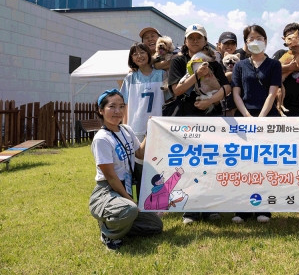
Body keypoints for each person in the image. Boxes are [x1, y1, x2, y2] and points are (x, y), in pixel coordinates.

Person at [167, 23, 230, 224]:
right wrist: (197, 74)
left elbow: (227, 87)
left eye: (199, 38)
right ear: (185, 41)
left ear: (205, 41)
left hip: (211, 116)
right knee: (189, 161)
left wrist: (210, 101)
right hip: (187, 115)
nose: (195, 41)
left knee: (211, 161)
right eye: (191, 38)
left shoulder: (213, 62)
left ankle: (211, 206)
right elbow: (176, 90)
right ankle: (191, 209)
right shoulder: (178, 62)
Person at [89, 89, 163, 251]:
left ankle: (119, 222)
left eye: (121, 106)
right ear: (101, 111)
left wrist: (149, 130)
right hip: (108, 190)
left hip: (126, 187)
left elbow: (140, 153)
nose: (118, 111)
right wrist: (130, 200)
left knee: (155, 226)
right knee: (129, 209)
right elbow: (111, 176)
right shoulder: (102, 138)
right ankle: (108, 233)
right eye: (112, 106)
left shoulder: (126, 130)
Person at [231, 24, 282, 223]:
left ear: (266, 41)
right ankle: (241, 209)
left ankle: (264, 208)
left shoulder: (274, 64)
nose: (255, 41)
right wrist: (247, 117)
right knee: (243, 165)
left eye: (259, 37)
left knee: (265, 164)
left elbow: (273, 92)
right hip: (243, 119)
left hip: (267, 118)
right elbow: (236, 93)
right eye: (251, 39)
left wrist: (261, 118)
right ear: (245, 44)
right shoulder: (239, 65)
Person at [120, 43, 166, 194]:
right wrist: (124, 127)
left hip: (158, 126)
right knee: (139, 166)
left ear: (149, 54)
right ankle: (142, 201)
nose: (139, 56)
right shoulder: (130, 78)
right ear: (131, 58)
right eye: (135, 54)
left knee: (159, 164)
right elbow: (124, 104)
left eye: (142, 52)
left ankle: (158, 200)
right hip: (136, 127)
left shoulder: (161, 75)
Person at [272, 23, 299, 117]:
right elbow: (270, 71)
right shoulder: (281, 53)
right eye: (288, 37)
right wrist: (289, 68)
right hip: (286, 107)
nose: (293, 39)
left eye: (296, 35)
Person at [216, 31, 246, 116]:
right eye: (226, 43)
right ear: (219, 44)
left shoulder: (238, 60)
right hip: (219, 103)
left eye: (232, 43)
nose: (229, 46)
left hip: (234, 103)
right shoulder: (215, 57)